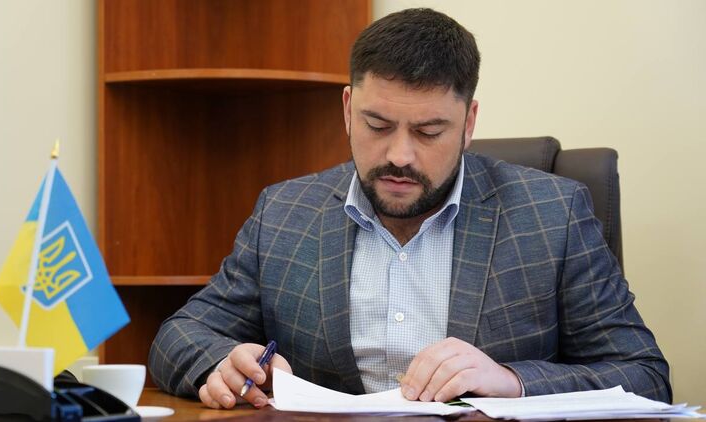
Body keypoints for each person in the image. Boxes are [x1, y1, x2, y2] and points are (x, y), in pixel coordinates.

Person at [148, 8, 671, 409]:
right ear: (348, 110)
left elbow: (644, 374)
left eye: (428, 131)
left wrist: (512, 381)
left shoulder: (553, 214)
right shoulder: (285, 213)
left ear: (468, 124)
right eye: (377, 126)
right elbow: (177, 336)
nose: (399, 155)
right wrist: (222, 363)